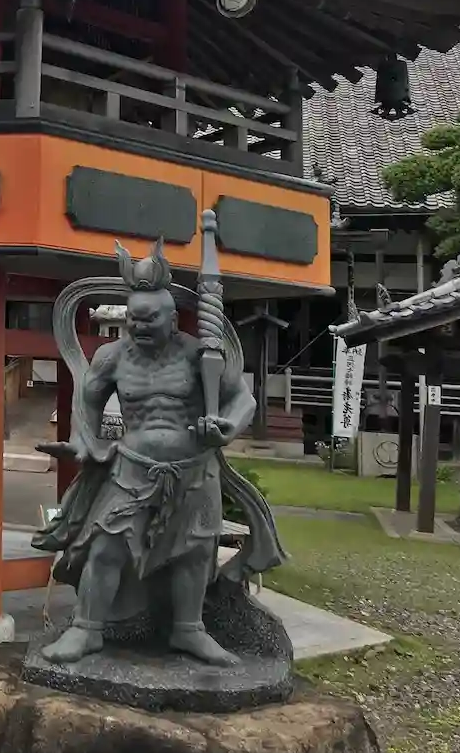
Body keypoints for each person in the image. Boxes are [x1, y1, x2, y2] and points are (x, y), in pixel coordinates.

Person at [34, 238, 285, 666]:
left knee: (195, 552)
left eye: (150, 318)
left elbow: (243, 400)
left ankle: (189, 630)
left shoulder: (199, 354)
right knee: (105, 547)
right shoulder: (112, 357)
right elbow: (88, 402)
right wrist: (83, 442)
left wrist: (227, 428)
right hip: (132, 469)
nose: (140, 326)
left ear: (172, 318)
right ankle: (86, 629)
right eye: (133, 318)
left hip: (194, 468)